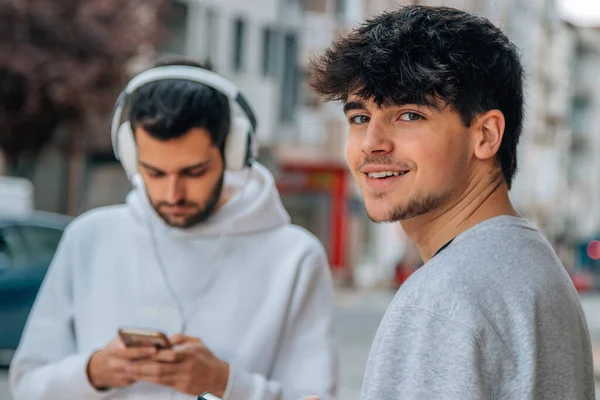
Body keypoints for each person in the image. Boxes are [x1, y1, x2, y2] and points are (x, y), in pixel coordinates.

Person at [309, 5, 594, 400]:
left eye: (408, 115)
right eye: (359, 117)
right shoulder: (532, 264)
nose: (372, 143)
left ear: (485, 135)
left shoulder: (442, 299)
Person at [9, 58, 338, 400]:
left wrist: (224, 382)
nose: (172, 194)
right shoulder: (88, 238)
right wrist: (95, 371)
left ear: (234, 152)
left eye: (193, 173)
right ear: (130, 154)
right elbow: (26, 385)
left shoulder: (294, 257)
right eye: (154, 173)